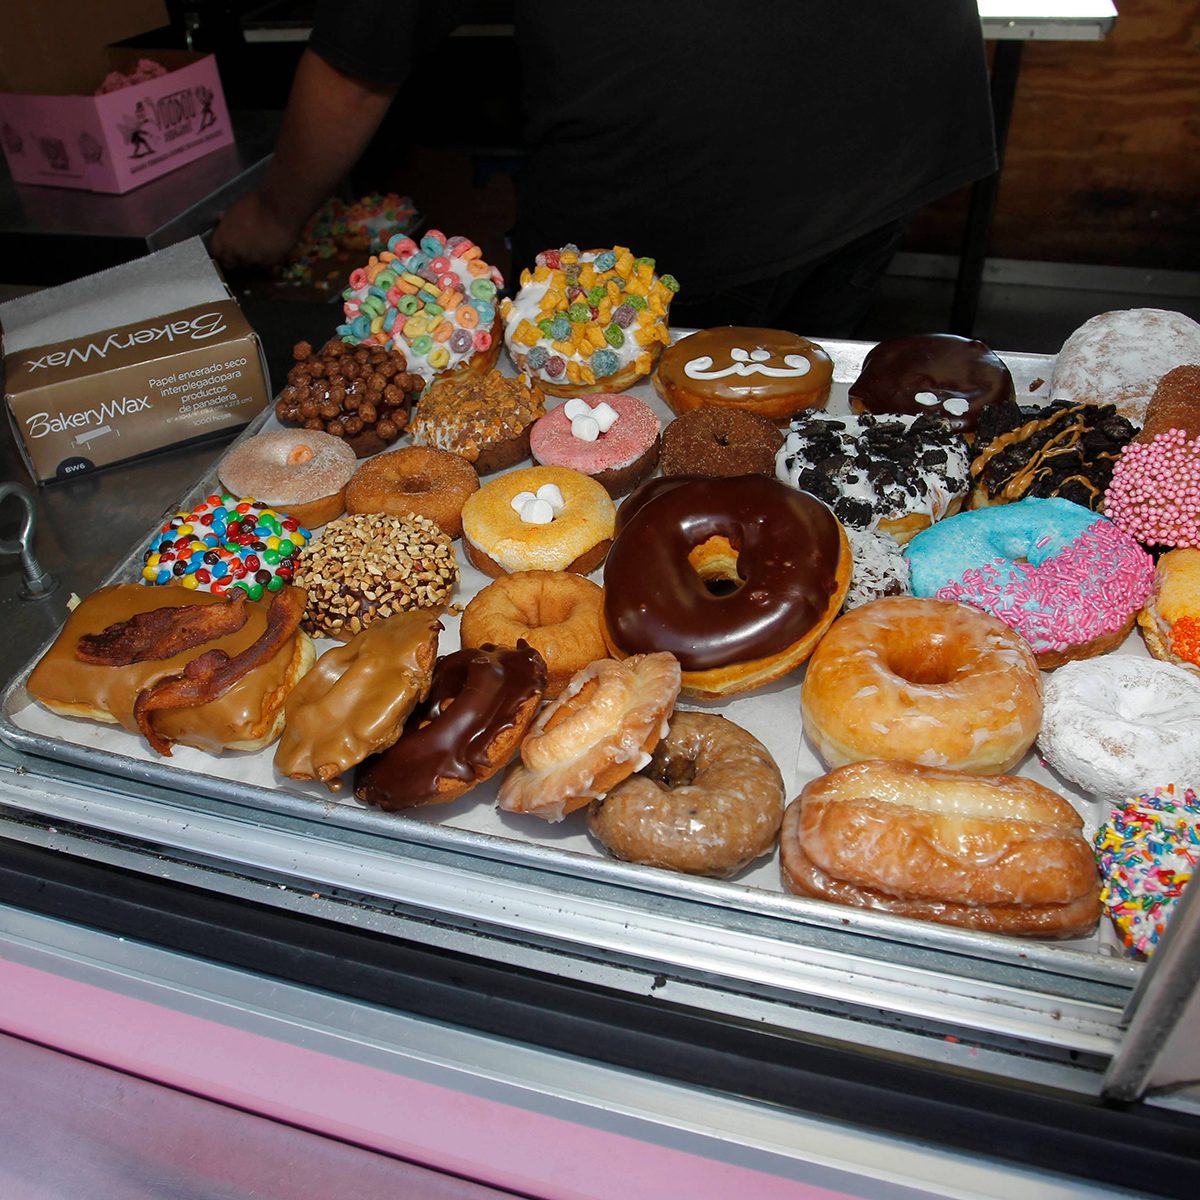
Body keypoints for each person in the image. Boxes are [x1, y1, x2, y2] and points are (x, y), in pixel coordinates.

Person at [213, 2, 996, 337]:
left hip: (710, 168)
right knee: (790, 370)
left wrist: (275, 216)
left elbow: (357, 66)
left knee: (659, 412)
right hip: (900, 116)